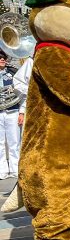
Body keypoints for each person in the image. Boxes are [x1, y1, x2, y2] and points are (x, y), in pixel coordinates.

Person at [0, 50, 21, 179]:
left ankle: (15, 169)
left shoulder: (13, 72)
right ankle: (2, 170)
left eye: (3, 57)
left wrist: (22, 112)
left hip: (12, 111)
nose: (2, 59)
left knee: (14, 142)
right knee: (0, 143)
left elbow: (21, 91)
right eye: (0, 58)